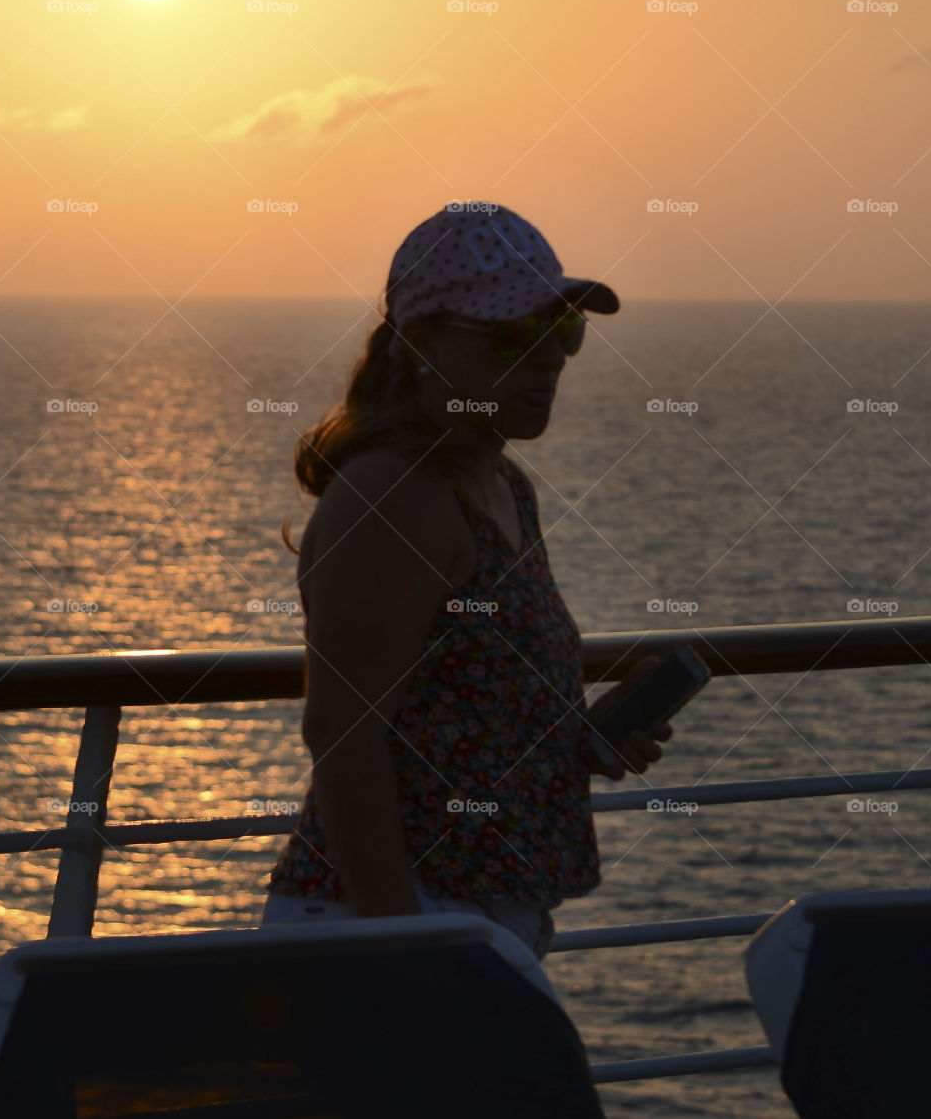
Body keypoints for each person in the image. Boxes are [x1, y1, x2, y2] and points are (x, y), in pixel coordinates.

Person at [260, 203, 674, 1004]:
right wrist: (408, 953)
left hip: (467, 919)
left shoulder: (496, 482)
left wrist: (572, 738)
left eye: (562, 330)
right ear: (420, 345)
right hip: (389, 924)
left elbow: (452, 713)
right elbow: (342, 740)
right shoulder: (394, 497)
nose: (549, 356)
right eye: (511, 336)